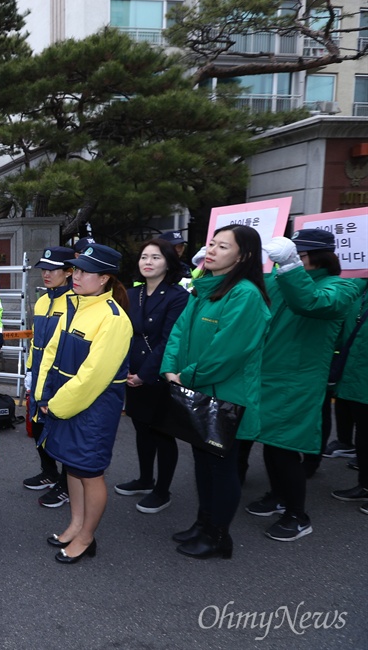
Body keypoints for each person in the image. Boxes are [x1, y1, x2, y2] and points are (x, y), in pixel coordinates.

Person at [239, 230, 359, 541]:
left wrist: (291, 267)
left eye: (301, 254)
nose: (293, 259)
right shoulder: (282, 277)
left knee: (284, 448)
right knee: (269, 442)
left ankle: (297, 514)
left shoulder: (342, 286)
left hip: (299, 380)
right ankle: (277, 495)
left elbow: (312, 303)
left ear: (319, 257)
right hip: (267, 375)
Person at [161, 224, 271, 560]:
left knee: (221, 467)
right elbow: (179, 332)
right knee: (202, 461)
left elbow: (228, 351)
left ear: (244, 256)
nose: (211, 250)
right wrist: (169, 368)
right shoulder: (204, 289)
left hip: (226, 395)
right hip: (196, 390)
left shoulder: (246, 295)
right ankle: (203, 522)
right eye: (212, 243)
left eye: (223, 247)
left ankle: (219, 536)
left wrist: (187, 375)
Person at [37, 244, 132, 565]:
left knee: (89, 472)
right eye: (75, 270)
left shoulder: (114, 319)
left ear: (105, 278)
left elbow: (94, 376)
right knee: (72, 468)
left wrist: (56, 405)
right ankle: (75, 525)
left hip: (91, 410)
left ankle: (87, 536)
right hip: (65, 404)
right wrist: (42, 395)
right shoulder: (75, 305)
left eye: (84, 271)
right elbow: (50, 353)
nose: (76, 276)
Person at [115, 239, 189, 514]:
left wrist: (144, 375)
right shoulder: (132, 294)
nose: (148, 262)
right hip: (131, 372)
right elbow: (121, 333)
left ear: (168, 263)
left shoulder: (178, 296)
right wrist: (125, 372)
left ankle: (162, 490)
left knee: (162, 432)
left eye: (155, 257)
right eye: (144, 256)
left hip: (159, 375)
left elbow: (170, 340)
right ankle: (145, 479)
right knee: (141, 428)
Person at [23, 247, 76, 509]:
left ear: (69, 272)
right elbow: (36, 342)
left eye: (53, 269)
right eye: (44, 269)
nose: (46, 274)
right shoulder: (43, 300)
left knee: (62, 432)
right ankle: (49, 471)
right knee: (38, 426)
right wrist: (30, 372)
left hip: (62, 378)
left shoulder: (76, 301)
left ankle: (67, 485)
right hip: (39, 375)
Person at [330, 276, 368, 515]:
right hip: (357, 375)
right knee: (364, 435)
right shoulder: (359, 287)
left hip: (360, 375)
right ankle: (364, 485)